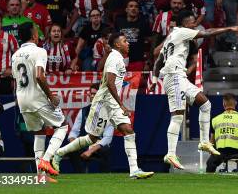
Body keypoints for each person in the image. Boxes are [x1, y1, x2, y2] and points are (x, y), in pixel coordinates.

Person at [52, 33, 154, 179]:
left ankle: (134, 170)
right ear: (118, 45)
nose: (128, 43)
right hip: (104, 102)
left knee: (128, 130)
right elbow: (110, 83)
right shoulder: (114, 58)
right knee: (92, 138)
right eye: (125, 41)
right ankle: (59, 153)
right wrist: (121, 105)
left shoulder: (117, 57)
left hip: (112, 103)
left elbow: (103, 71)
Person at [152, 10, 238, 169]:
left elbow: (158, 60)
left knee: (205, 104)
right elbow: (207, 33)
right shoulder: (183, 32)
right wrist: (229, 29)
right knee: (177, 116)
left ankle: (204, 141)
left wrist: (154, 79)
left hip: (179, 77)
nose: (195, 25)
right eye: (193, 22)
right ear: (185, 23)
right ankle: (171, 154)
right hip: (174, 76)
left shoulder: (171, 37)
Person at [12, 22, 68, 181]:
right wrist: (51, 96)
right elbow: (39, 75)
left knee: (39, 132)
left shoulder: (15, 55)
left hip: (22, 99)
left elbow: (16, 80)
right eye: (36, 31)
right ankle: (46, 159)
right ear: (33, 35)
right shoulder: (39, 51)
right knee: (63, 126)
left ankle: (40, 175)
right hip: (37, 97)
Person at [65, 83, 113, 173]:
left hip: (99, 145)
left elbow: (107, 138)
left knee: (105, 150)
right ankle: (80, 176)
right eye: (91, 94)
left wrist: (90, 151)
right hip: (85, 143)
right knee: (71, 150)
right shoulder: (83, 111)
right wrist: (73, 144)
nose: (91, 96)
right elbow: (74, 132)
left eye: (94, 94)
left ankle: (105, 177)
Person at [206, 93, 238, 172]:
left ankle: (209, 179)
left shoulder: (215, 119)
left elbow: (212, 142)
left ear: (223, 104)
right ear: (235, 103)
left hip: (220, 154)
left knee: (210, 164)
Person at [114, 0, 153, 71]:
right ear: (126, 9)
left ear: (138, 10)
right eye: (131, 6)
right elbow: (113, 41)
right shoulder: (119, 22)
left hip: (138, 61)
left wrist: (148, 62)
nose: (133, 8)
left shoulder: (144, 23)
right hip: (121, 61)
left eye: (136, 7)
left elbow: (151, 43)